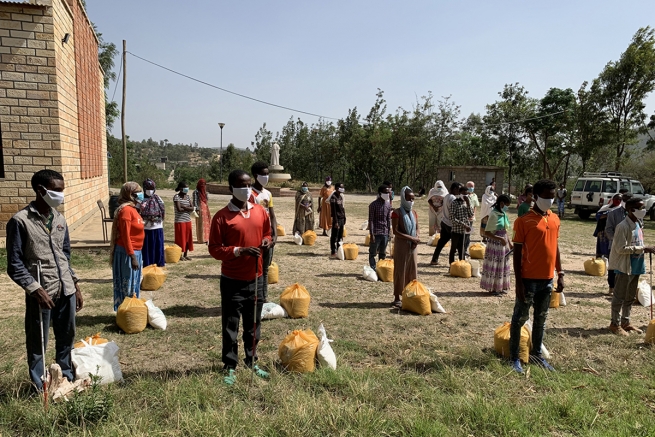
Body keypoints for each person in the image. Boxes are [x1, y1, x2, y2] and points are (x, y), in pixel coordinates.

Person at [6, 169, 83, 391]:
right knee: (38, 341)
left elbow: (65, 254)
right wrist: (34, 289)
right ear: (41, 191)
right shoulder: (20, 221)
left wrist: (75, 285)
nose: (61, 195)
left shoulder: (59, 219)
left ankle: (65, 378)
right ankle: (41, 386)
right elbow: (14, 264)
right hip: (42, 290)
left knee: (66, 337)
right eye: (57, 191)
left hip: (65, 288)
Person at [208, 169, 272, 385]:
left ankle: (251, 360)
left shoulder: (260, 211)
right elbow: (215, 249)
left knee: (253, 323)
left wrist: (266, 241)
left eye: (248, 184)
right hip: (232, 280)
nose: (246, 189)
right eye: (241, 185)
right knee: (231, 325)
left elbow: (268, 233)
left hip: (257, 277)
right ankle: (230, 365)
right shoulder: (221, 217)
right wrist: (239, 251)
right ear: (231, 188)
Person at [510, 179, 564, 374]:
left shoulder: (555, 219)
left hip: (547, 279)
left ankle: (537, 356)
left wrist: (561, 273)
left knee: (541, 319)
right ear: (535, 196)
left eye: (553, 197)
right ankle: (514, 357)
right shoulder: (523, 221)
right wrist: (518, 283)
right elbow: (516, 253)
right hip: (528, 280)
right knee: (519, 319)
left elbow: (555, 248)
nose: (550, 200)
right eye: (546, 197)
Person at [607, 197, 655, 336]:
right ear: (630, 210)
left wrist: (645, 249)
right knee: (619, 296)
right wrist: (643, 248)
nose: (643, 210)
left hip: (637, 265)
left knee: (630, 296)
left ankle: (625, 322)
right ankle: (614, 324)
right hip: (624, 266)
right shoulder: (622, 226)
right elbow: (620, 248)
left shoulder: (639, 223)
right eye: (640, 208)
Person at [110, 182, 145, 311]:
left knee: (135, 283)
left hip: (136, 251)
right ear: (129, 194)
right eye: (137, 192)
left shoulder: (133, 209)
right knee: (128, 284)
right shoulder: (125, 211)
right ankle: (126, 311)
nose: (141, 195)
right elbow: (125, 236)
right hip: (127, 253)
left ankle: (132, 311)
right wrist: (132, 256)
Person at [250, 161, 278, 303]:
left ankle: (263, 297)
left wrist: (274, 234)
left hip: (268, 236)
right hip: (256, 237)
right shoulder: (250, 194)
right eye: (263, 174)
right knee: (256, 268)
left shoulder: (268, 194)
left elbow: (272, 215)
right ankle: (254, 296)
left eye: (268, 174)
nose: (266, 177)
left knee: (265, 269)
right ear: (256, 175)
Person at [391, 187, 420, 307]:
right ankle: (397, 296)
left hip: (413, 246)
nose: (411, 201)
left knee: (412, 270)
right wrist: (411, 238)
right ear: (403, 198)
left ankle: (410, 293)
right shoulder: (396, 213)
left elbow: (417, 227)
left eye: (413, 199)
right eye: (409, 199)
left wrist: (416, 237)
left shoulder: (414, 213)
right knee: (400, 270)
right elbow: (396, 231)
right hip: (402, 245)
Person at [480, 194, 513, 296]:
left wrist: (510, 243)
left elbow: (504, 230)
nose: (507, 207)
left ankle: (500, 287)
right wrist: (499, 239)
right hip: (495, 244)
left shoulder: (503, 214)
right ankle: (493, 288)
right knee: (495, 265)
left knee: (502, 265)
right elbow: (487, 233)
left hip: (503, 244)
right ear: (502, 203)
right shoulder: (493, 214)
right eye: (507, 205)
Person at [594, 194, 621, 294]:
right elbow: (598, 216)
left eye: (620, 199)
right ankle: (611, 286)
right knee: (607, 255)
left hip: (618, 237)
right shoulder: (605, 207)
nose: (618, 201)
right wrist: (606, 214)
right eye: (616, 199)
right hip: (605, 233)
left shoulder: (622, 210)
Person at [430, 182, 458, 265]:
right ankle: (452, 263)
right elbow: (453, 211)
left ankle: (434, 259)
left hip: (444, 222)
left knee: (441, 242)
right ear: (455, 189)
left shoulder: (446, 196)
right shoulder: (453, 198)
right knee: (455, 245)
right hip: (451, 224)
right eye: (458, 189)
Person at [140, 178, 165, 267]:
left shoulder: (158, 199)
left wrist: (156, 218)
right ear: (144, 188)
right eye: (148, 188)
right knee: (147, 248)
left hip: (157, 227)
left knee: (157, 248)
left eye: (152, 189)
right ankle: (147, 266)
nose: (150, 191)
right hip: (145, 228)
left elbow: (162, 211)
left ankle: (158, 265)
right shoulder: (140, 199)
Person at [368, 184, 392, 269]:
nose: (387, 194)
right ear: (380, 193)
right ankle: (373, 268)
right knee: (373, 253)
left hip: (385, 233)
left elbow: (388, 220)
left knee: (383, 253)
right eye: (385, 192)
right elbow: (371, 220)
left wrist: (389, 232)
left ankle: (381, 268)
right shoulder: (373, 205)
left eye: (388, 192)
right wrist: (371, 234)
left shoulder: (388, 205)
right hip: (376, 232)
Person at [449, 185, 474, 264]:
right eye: (463, 194)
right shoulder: (454, 203)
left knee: (462, 249)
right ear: (459, 193)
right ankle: (452, 264)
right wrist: (464, 225)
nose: (465, 196)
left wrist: (468, 204)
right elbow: (452, 218)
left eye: (466, 194)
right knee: (453, 249)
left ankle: (462, 264)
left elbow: (470, 215)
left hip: (464, 231)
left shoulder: (467, 202)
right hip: (456, 230)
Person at [174, 181, 195, 260]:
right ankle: (180, 255)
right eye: (185, 187)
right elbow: (179, 209)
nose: (187, 189)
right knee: (180, 238)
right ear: (180, 188)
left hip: (187, 220)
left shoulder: (188, 197)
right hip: (180, 221)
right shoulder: (177, 197)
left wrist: (184, 207)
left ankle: (185, 254)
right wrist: (187, 208)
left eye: (187, 187)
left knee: (187, 238)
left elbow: (192, 208)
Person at [329, 182, 346, 258]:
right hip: (337, 219)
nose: (342, 189)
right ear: (336, 188)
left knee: (340, 236)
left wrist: (344, 217)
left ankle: (339, 249)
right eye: (340, 187)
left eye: (343, 187)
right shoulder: (333, 197)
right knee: (334, 236)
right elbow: (334, 211)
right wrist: (335, 221)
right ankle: (333, 250)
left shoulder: (340, 197)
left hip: (342, 218)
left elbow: (342, 208)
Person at [193, 179, 211, 244]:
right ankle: (201, 239)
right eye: (202, 184)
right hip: (200, 209)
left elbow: (206, 200)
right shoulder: (196, 192)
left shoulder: (205, 192)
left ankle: (207, 238)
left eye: (204, 184)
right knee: (200, 224)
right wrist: (197, 209)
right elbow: (195, 201)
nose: (203, 186)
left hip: (205, 208)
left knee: (207, 223)